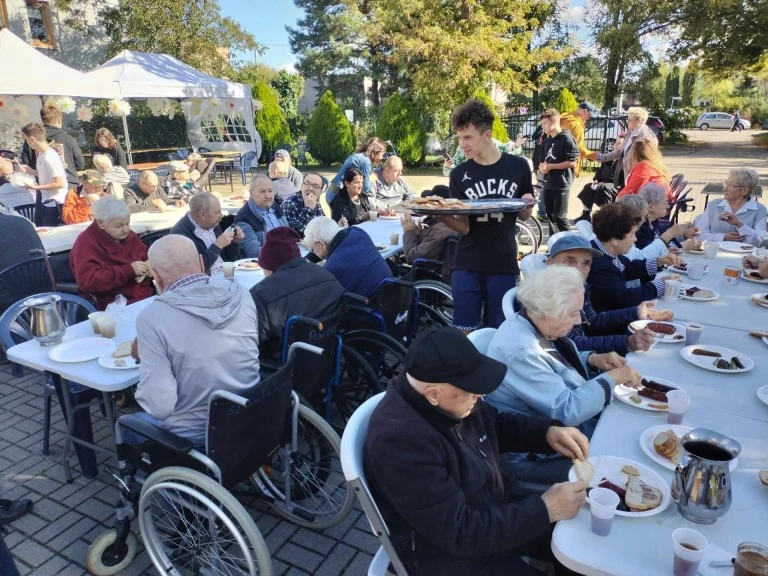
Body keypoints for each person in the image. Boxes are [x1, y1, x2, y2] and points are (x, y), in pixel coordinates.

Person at [365, 326, 590, 576]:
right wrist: (544, 510)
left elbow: (495, 424)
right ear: (433, 395)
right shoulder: (400, 443)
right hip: (450, 554)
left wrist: (547, 433)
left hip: (491, 511)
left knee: (584, 542)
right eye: (471, 391)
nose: (480, 396)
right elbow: (458, 533)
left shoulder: (452, 401)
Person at [486, 266, 642, 484]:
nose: (580, 320)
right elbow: (567, 410)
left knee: (629, 435)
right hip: (534, 455)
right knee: (621, 473)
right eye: (573, 313)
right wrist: (613, 377)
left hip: (562, 436)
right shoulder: (522, 349)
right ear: (547, 311)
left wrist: (591, 359)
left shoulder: (534, 324)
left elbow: (557, 366)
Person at [131, 235, 260, 447]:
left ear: (155, 275)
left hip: (195, 436)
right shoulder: (240, 292)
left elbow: (159, 406)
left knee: (127, 425)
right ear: (201, 262)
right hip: (248, 413)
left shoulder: (152, 318)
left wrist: (147, 357)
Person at [441, 99, 534, 331]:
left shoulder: (518, 166)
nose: (462, 144)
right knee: (465, 330)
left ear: (487, 135)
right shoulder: (459, 174)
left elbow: (523, 215)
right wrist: (442, 215)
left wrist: (528, 204)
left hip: (502, 262)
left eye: (468, 137)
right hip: (467, 261)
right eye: (460, 138)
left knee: (500, 330)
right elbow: (465, 227)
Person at [544, 234, 666, 355]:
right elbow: (569, 344)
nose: (578, 269)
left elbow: (592, 321)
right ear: (550, 263)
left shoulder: (580, 286)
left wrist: (636, 312)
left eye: (585, 263)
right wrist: (626, 343)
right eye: (569, 261)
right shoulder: (544, 296)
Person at [249, 227, 344, 359]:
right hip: (326, 360)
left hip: (284, 369)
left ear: (270, 267)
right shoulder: (328, 276)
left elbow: (251, 342)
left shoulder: (262, 295)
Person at [587, 203, 682, 312]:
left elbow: (628, 267)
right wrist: (658, 286)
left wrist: (658, 262)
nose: (635, 239)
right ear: (614, 239)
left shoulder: (606, 250)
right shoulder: (598, 264)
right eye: (632, 234)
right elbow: (623, 298)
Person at [69, 196, 154, 310]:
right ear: (101, 223)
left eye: (127, 223)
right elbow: (88, 281)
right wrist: (128, 270)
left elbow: (144, 254)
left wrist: (150, 264)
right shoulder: (85, 244)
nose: (126, 229)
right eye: (118, 226)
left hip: (145, 295)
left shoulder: (128, 235)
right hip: (114, 305)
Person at [303, 216, 392, 297]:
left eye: (312, 248)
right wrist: (306, 260)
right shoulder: (357, 232)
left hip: (373, 309)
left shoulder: (333, 267)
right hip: (393, 292)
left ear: (322, 245)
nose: (313, 251)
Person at [587, 106, 658, 195]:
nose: (627, 122)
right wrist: (601, 157)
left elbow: (647, 161)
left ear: (639, 121)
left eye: (630, 120)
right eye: (627, 119)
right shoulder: (630, 132)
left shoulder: (647, 137)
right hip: (627, 175)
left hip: (638, 177)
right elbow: (620, 152)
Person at [170, 193, 243, 275]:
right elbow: (195, 270)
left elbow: (228, 258)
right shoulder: (180, 235)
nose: (221, 215)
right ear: (202, 215)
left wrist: (235, 242)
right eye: (217, 212)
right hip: (205, 283)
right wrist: (217, 245)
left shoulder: (212, 223)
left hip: (226, 275)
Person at [694, 168, 767, 246]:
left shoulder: (759, 210)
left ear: (744, 191)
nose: (725, 188)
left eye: (731, 186)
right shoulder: (714, 205)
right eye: (726, 184)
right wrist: (723, 237)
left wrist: (739, 225)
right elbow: (697, 235)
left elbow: (760, 241)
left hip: (745, 256)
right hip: (715, 253)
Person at [20, 105, 85, 187]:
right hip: (69, 184)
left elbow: (27, 164)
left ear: (43, 120)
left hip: (43, 185)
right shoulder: (69, 139)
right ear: (59, 119)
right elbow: (80, 164)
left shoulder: (32, 141)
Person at [19, 122, 68, 226]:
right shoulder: (42, 155)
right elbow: (47, 176)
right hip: (46, 201)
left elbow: (60, 183)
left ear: (32, 139)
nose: (27, 143)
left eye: (27, 140)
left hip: (55, 203)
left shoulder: (50, 157)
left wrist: (35, 187)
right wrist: (31, 171)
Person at [539, 108, 579, 234]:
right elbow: (544, 160)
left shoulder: (566, 139)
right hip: (549, 182)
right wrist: (543, 168)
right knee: (550, 216)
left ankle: (569, 244)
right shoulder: (547, 140)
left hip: (562, 183)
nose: (542, 126)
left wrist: (551, 167)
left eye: (544, 123)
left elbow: (572, 162)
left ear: (554, 121)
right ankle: (554, 244)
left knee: (560, 217)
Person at [633, 183, 701, 254]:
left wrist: (684, 233)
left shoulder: (652, 222)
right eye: (665, 202)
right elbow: (650, 253)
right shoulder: (639, 228)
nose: (668, 206)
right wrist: (683, 246)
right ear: (651, 207)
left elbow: (665, 235)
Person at [401, 185, 456, 272]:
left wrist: (409, 232)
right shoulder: (444, 223)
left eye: (428, 202)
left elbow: (411, 257)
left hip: (429, 275)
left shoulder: (439, 231)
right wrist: (419, 234)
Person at [235, 174, 289, 258]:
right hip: (264, 265)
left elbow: (288, 233)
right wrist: (282, 248)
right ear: (251, 194)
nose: (268, 196)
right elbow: (254, 252)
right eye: (263, 191)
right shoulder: (244, 218)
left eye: (270, 191)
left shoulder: (276, 207)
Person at [326, 137, 386, 202]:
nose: (382, 157)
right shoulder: (366, 161)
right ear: (375, 151)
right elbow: (365, 188)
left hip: (331, 193)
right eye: (382, 154)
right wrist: (371, 179)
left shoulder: (357, 156)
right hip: (337, 197)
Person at [442, 136, 527, 176]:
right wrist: (448, 165)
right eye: (460, 138)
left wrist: (516, 145)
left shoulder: (490, 142)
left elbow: (504, 149)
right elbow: (455, 167)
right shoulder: (462, 148)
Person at [558, 102, 598, 178]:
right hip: (567, 165)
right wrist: (596, 156)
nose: (589, 118)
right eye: (589, 115)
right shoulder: (576, 125)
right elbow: (578, 148)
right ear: (584, 111)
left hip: (555, 160)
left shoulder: (565, 116)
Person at [282, 171, 325, 236]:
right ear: (301, 186)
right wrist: (308, 209)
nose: (310, 188)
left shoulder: (315, 201)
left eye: (315, 186)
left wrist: (336, 226)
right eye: (307, 184)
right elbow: (293, 235)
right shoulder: (289, 203)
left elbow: (322, 225)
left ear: (320, 191)